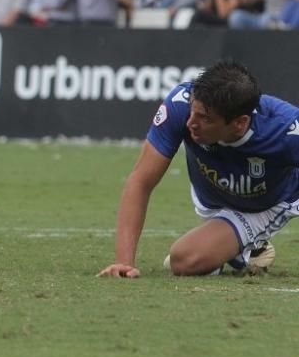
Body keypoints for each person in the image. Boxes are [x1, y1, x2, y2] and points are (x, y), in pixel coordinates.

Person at [98, 61, 298, 278]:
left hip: (267, 204)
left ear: (240, 123)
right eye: (193, 112)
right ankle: (243, 249)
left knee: (183, 260)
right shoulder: (181, 105)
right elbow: (140, 181)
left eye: (205, 119)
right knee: (193, 257)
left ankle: (241, 243)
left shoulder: (285, 128)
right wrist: (124, 263)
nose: (191, 123)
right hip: (212, 198)